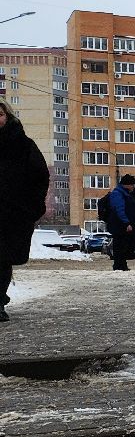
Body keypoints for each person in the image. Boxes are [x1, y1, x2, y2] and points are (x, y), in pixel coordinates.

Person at [0, 101, 51, 322]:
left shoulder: (23, 145)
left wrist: (30, 209)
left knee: (2, 260)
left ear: (7, 116)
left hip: (11, 215)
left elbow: (40, 177)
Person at [103, 173, 135, 272]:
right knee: (124, 244)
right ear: (126, 184)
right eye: (132, 184)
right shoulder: (118, 194)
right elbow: (119, 209)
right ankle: (119, 265)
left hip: (125, 225)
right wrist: (126, 223)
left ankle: (121, 264)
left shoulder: (127, 194)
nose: (133, 187)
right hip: (120, 225)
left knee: (128, 244)